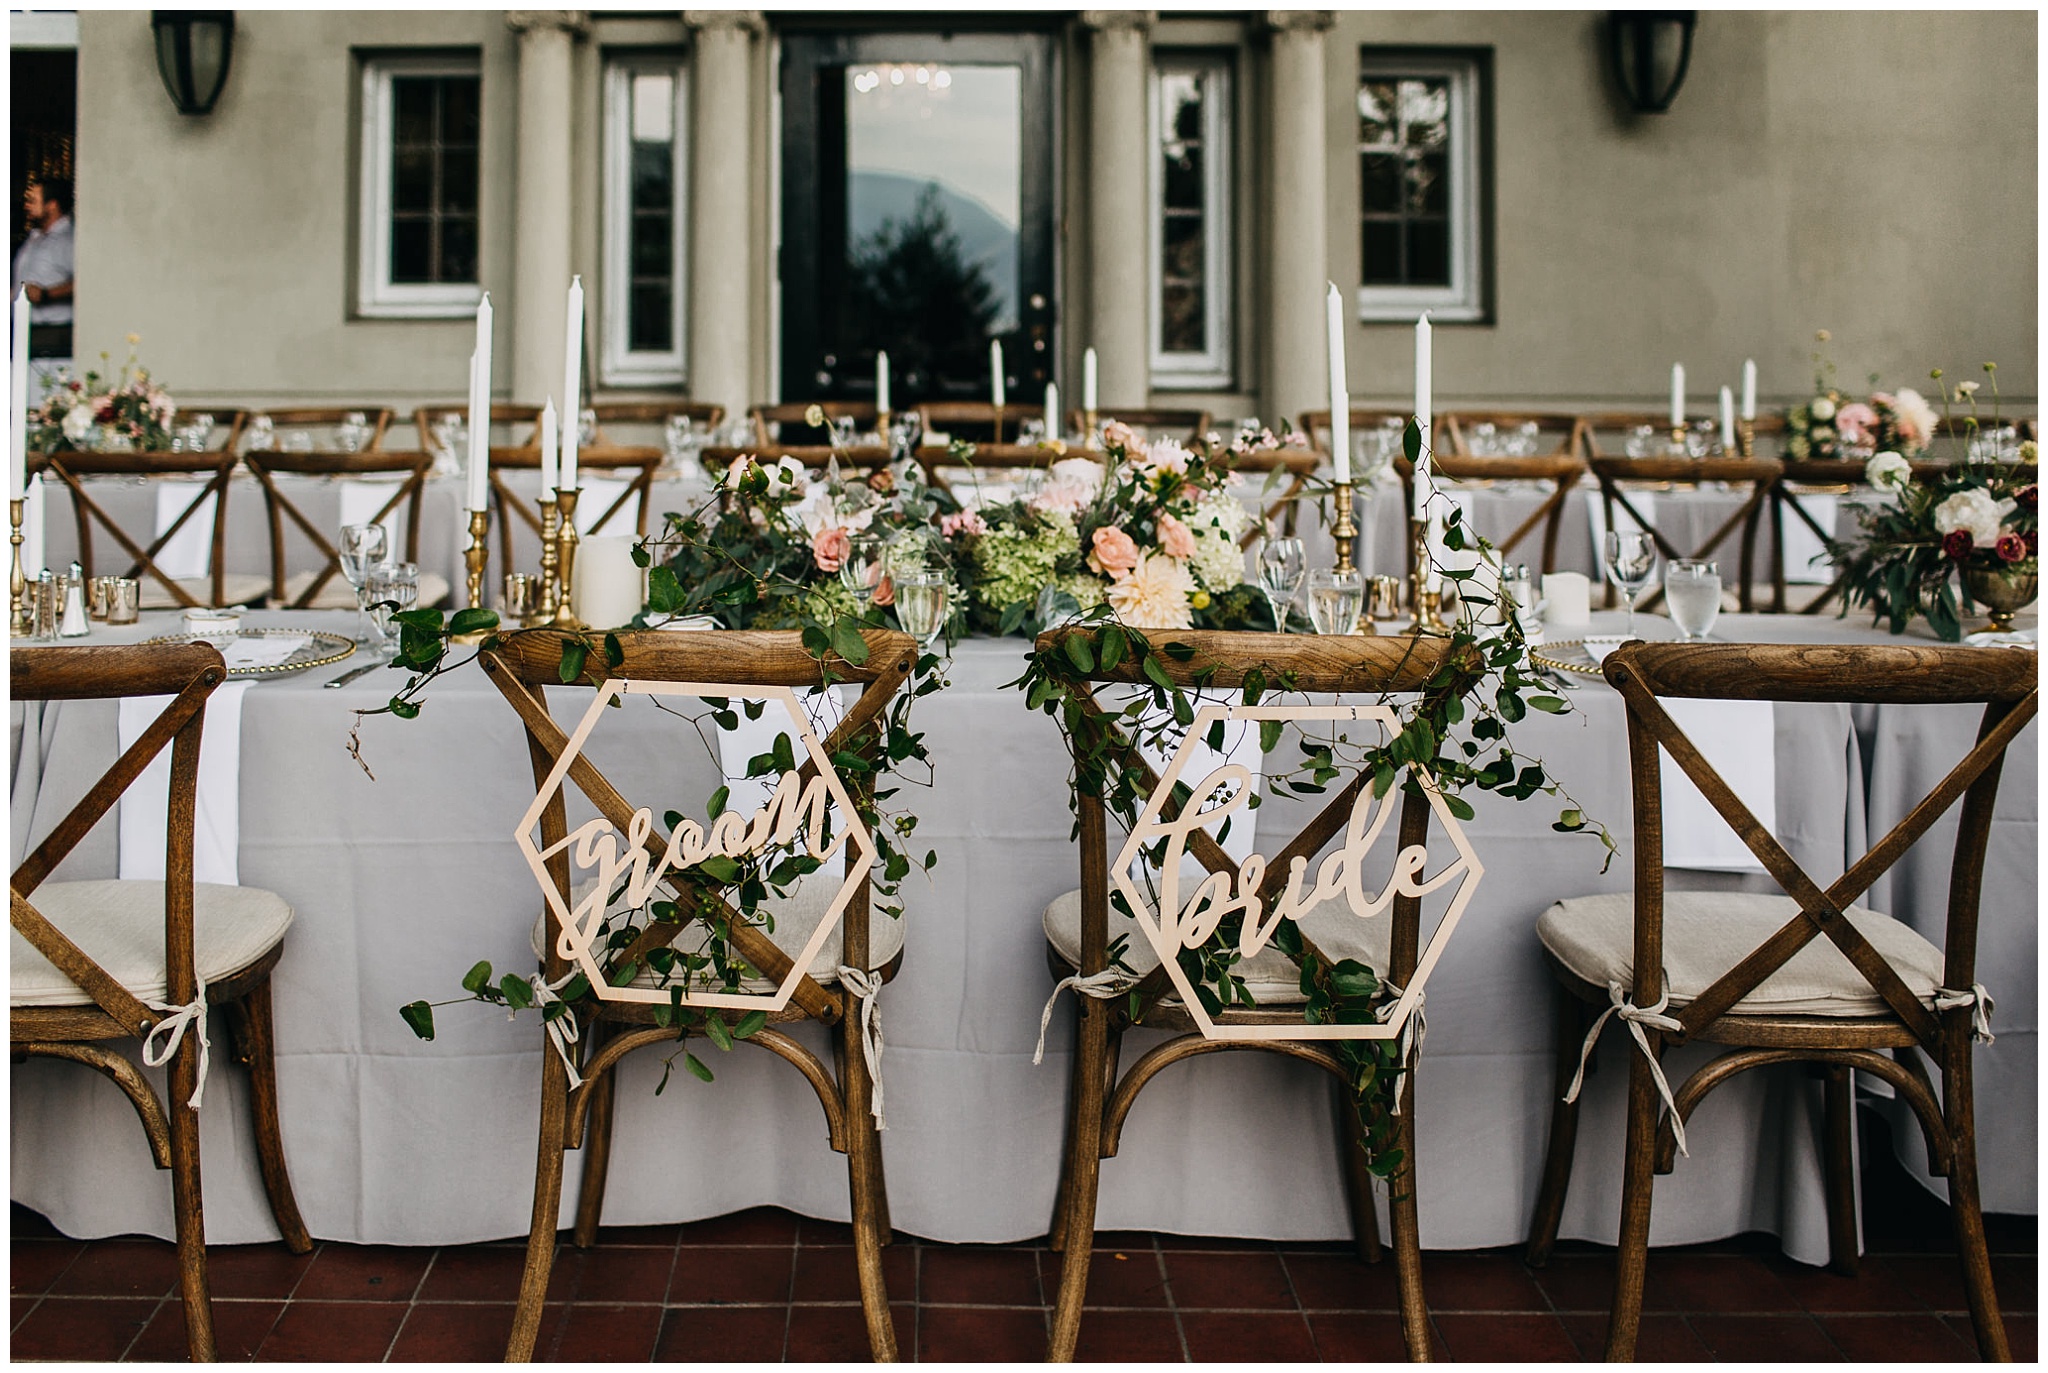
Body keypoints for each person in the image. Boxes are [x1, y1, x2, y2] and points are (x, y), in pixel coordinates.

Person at [13, 175, 74, 360]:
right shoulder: (35, 239)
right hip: (24, 328)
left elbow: (86, 280)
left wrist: (47, 294)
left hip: (53, 332)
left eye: (32, 201)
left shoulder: (68, 240)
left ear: (52, 205)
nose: (26, 206)